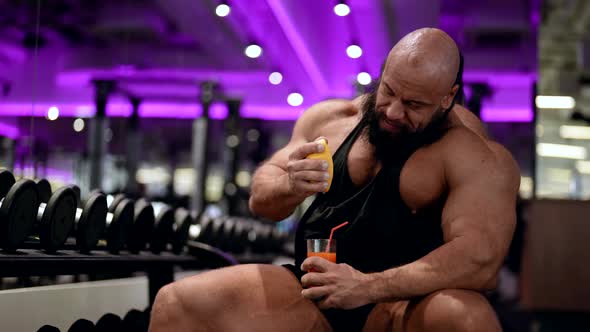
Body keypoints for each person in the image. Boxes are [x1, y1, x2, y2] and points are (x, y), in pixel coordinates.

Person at [148, 27, 520, 332]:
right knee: (175, 302)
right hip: (312, 289)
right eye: (389, 90)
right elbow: (262, 200)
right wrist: (288, 185)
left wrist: (368, 286)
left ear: (448, 98)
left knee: (469, 319)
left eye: (413, 105)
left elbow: (480, 260)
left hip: (400, 306)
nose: (392, 111)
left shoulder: (471, 151)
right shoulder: (332, 120)